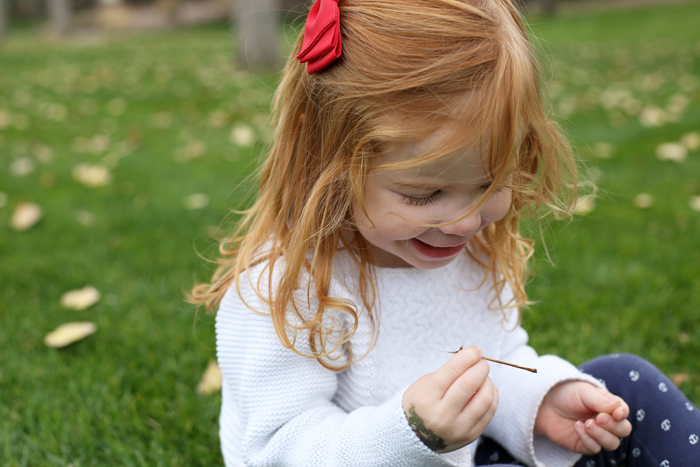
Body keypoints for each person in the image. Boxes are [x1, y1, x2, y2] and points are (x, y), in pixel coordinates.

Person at [190, 0, 699, 465]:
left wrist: (539, 401)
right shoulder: (290, 289)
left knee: (627, 383)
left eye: (488, 183)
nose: (464, 221)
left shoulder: (467, 249)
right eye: (422, 195)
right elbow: (276, 448)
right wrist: (407, 431)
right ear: (326, 162)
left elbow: (496, 361)